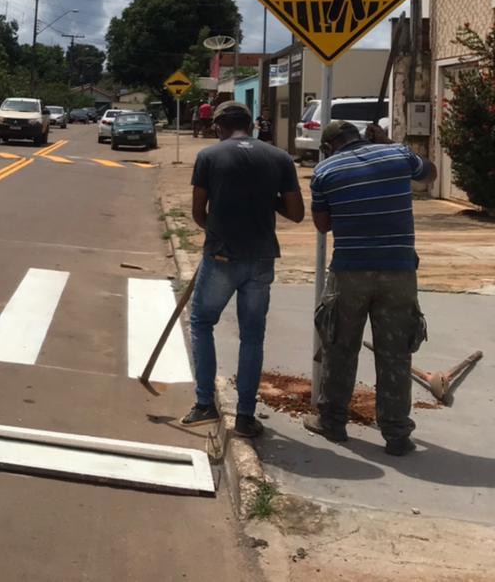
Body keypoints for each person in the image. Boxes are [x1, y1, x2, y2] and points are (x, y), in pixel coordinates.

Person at [304, 121, 436, 456]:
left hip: (349, 271)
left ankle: (333, 422)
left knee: (339, 346)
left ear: (331, 145)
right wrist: (390, 141)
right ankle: (396, 434)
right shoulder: (397, 154)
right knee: (396, 354)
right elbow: (430, 173)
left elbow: (323, 225)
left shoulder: (324, 172)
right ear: (363, 136)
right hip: (399, 271)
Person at [184, 100, 304, 436]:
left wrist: (217, 236)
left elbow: (198, 211)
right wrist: (266, 195)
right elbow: (296, 213)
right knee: (252, 336)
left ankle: (205, 403)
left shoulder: (210, 156)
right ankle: (246, 416)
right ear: (251, 125)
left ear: (220, 125)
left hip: (222, 255)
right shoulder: (278, 157)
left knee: (202, 322)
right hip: (262, 258)